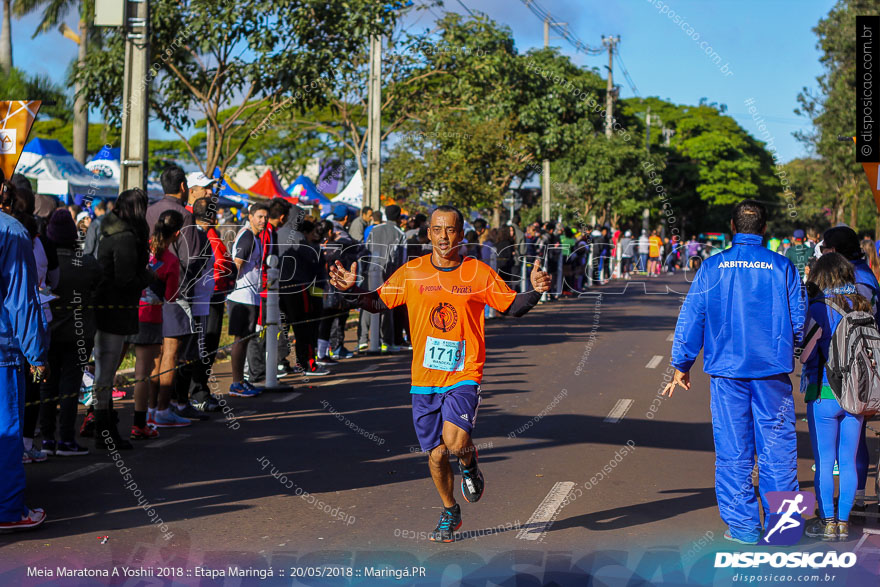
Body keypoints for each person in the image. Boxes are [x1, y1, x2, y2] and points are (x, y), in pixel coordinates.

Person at [329, 205, 552, 542]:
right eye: (437, 229)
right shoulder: (412, 272)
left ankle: (468, 461)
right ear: (428, 233)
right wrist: (350, 289)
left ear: (460, 234)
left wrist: (535, 290)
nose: (444, 237)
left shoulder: (477, 272)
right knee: (435, 456)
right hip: (424, 379)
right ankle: (450, 510)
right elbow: (378, 302)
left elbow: (513, 307)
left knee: (455, 440)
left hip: (465, 371)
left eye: (450, 230)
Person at [663, 199, 805, 545]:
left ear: (732, 226)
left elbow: (692, 317)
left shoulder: (713, 267)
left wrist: (681, 364)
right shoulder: (782, 266)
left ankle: (743, 528)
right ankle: (784, 530)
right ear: (765, 229)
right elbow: (799, 321)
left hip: (727, 375)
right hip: (772, 375)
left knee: (734, 452)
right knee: (778, 451)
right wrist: (788, 347)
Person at [798, 253, 869, 542]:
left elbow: (805, 354)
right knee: (848, 461)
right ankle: (843, 522)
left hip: (824, 393)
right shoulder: (862, 303)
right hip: (857, 394)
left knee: (825, 461)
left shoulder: (818, 307)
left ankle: (827, 523)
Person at [820, 225, 880, 513]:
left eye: (825, 249)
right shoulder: (867, 277)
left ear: (835, 252)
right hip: (865, 369)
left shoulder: (845, 279)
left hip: (834, 375)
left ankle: (834, 512)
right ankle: (851, 503)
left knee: (830, 452)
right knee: (855, 442)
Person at [0, 199, 49, 530]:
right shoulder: (11, 231)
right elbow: (21, 301)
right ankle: (8, 510)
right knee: (5, 429)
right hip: (2, 351)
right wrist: (36, 354)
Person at [146, 165, 208, 422]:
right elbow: (192, 257)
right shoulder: (185, 215)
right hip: (176, 290)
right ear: (183, 187)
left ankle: (150, 408)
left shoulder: (149, 211)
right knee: (170, 352)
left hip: (149, 289)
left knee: (153, 354)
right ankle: (162, 409)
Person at [94, 188, 154, 449]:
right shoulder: (125, 237)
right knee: (105, 374)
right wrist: (150, 277)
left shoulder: (105, 229)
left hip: (104, 307)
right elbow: (126, 278)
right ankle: (104, 432)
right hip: (115, 310)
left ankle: (103, 428)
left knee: (103, 374)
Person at [39, 209, 100, 455]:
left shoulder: (42, 265)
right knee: (70, 387)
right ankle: (66, 439)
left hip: (48, 332)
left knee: (46, 386)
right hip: (79, 333)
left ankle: (46, 439)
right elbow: (101, 281)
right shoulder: (86, 265)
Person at [131, 210, 185, 434]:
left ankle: (146, 415)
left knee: (137, 368)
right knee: (148, 367)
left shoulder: (142, 249)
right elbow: (171, 296)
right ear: (178, 233)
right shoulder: (171, 260)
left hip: (132, 311)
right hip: (153, 315)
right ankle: (146, 418)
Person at [227, 202, 269, 396]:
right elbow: (236, 264)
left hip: (250, 296)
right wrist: (230, 289)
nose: (263, 220)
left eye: (265, 217)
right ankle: (236, 383)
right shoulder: (248, 237)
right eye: (259, 216)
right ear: (250, 216)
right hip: (241, 296)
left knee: (245, 339)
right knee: (240, 339)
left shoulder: (254, 237)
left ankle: (240, 381)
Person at [359, 204, 406, 352]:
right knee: (387, 306)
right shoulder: (399, 233)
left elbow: (366, 250)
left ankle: (363, 340)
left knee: (368, 304)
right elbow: (403, 259)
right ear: (398, 217)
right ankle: (387, 342)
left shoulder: (375, 229)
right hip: (390, 274)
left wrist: (364, 271)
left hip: (371, 270)